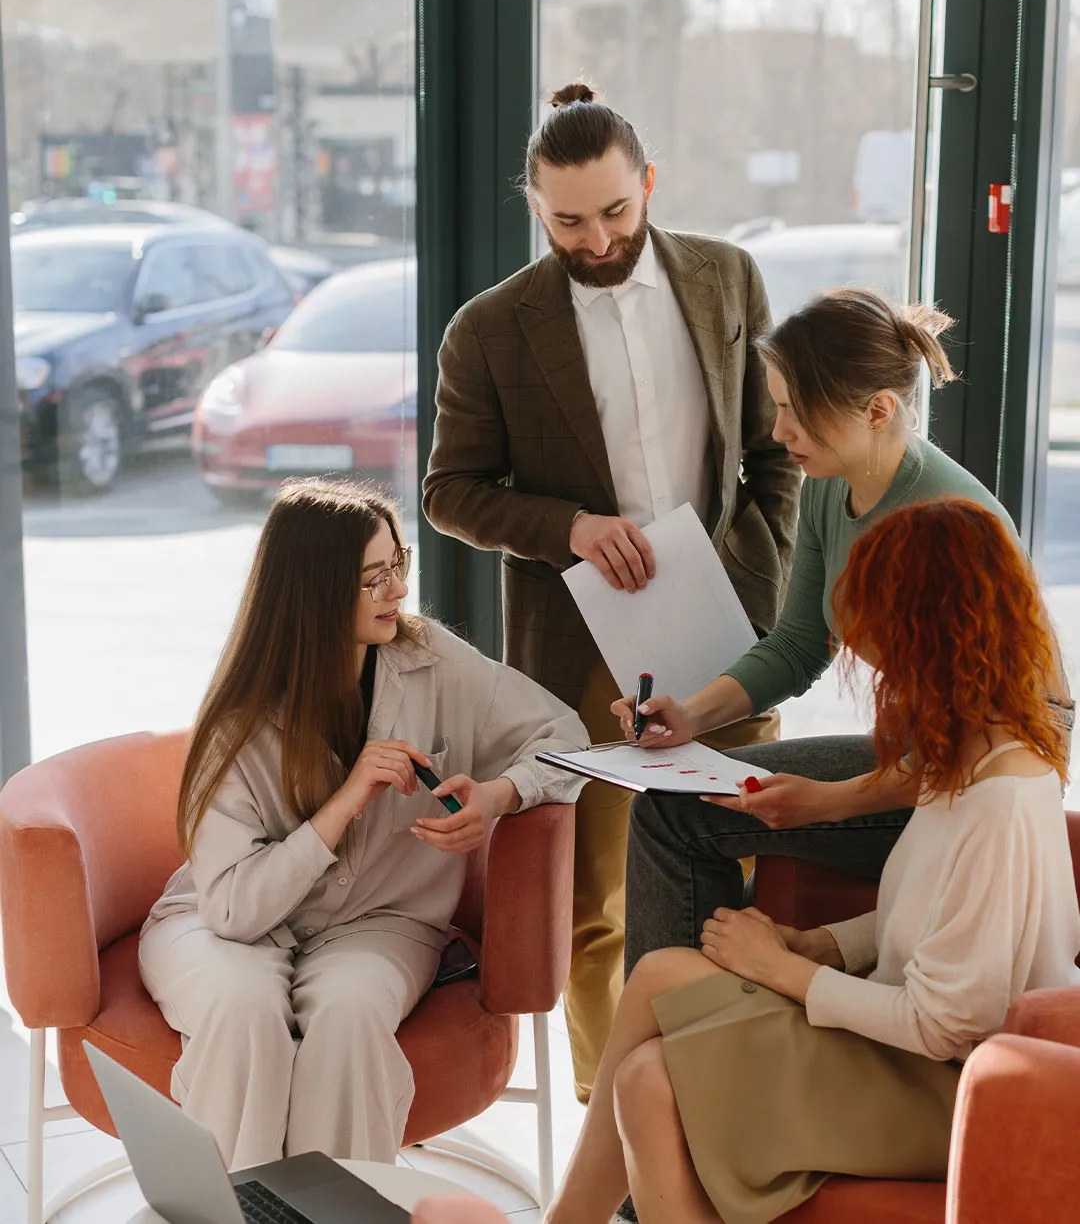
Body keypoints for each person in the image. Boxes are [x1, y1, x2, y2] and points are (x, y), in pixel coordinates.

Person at [547, 497, 1080, 1224]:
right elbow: (938, 918)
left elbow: (946, 1026)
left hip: (943, 1086)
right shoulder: (974, 754)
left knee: (647, 1080)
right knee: (661, 975)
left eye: (885, 641)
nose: (873, 664)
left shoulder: (997, 805)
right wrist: (823, 945)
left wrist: (784, 970)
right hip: (913, 1055)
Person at [423, 81, 800, 1101]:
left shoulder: (729, 280)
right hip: (581, 641)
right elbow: (448, 492)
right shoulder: (490, 330)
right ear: (535, 206)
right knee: (596, 898)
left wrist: (755, 588)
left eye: (616, 212)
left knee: (744, 873)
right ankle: (617, 1123)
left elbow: (774, 454)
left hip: (721, 631)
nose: (596, 241)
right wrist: (571, 530)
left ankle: (728, 1105)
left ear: (650, 183)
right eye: (568, 220)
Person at [615, 286, 1074, 975]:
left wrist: (829, 803)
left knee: (675, 823)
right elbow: (799, 645)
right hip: (923, 748)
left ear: (878, 410)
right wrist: (688, 715)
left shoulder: (949, 522)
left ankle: (693, 1039)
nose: (778, 433)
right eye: (777, 407)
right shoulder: (831, 476)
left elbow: (981, 747)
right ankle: (688, 1043)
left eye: (796, 412)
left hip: (983, 774)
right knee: (671, 809)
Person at [138, 478, 586, 1171]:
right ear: (313, 592)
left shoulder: (431, 660)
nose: (398, 593)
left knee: (348, 1022)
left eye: (397, 567)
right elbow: (231, 911)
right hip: (224, 917)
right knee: (243, 1014)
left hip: (382, 921)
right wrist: (346, 799)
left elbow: (565, 734)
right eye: (373, 579)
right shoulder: (242, 720)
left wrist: (499, 796)